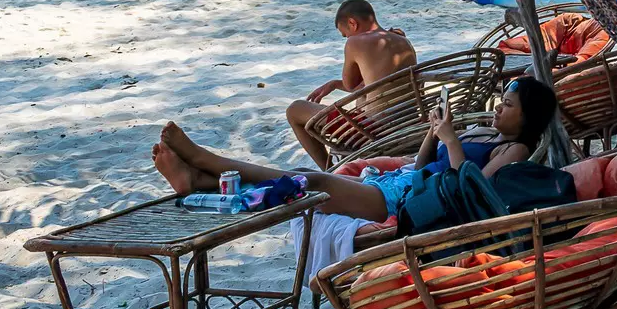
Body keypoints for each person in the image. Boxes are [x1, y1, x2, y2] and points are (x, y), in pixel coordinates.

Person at [153, 78, 562, 231]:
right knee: (300, 175)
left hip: (406, 201)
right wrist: (433, 133)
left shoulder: (517, 149)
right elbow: (423, 163)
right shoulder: (485, 132)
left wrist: (452, 140)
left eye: (507, 106)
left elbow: (473, 190)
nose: (497, 109)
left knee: (308, 180)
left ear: (529, 117)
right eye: (501, 101)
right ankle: (202, 180)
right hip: (402, 181)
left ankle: (206, 162)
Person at [285, 0, 418, 167]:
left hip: (371, 132)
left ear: (352, 23)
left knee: (295, 110)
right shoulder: (403, 40)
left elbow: (350, 85)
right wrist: (333, 84)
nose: (346, 38)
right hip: (409, 123)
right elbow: (374, 84)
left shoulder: (356, 42)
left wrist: (337, 83)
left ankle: (329, 170)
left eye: (345, 34)